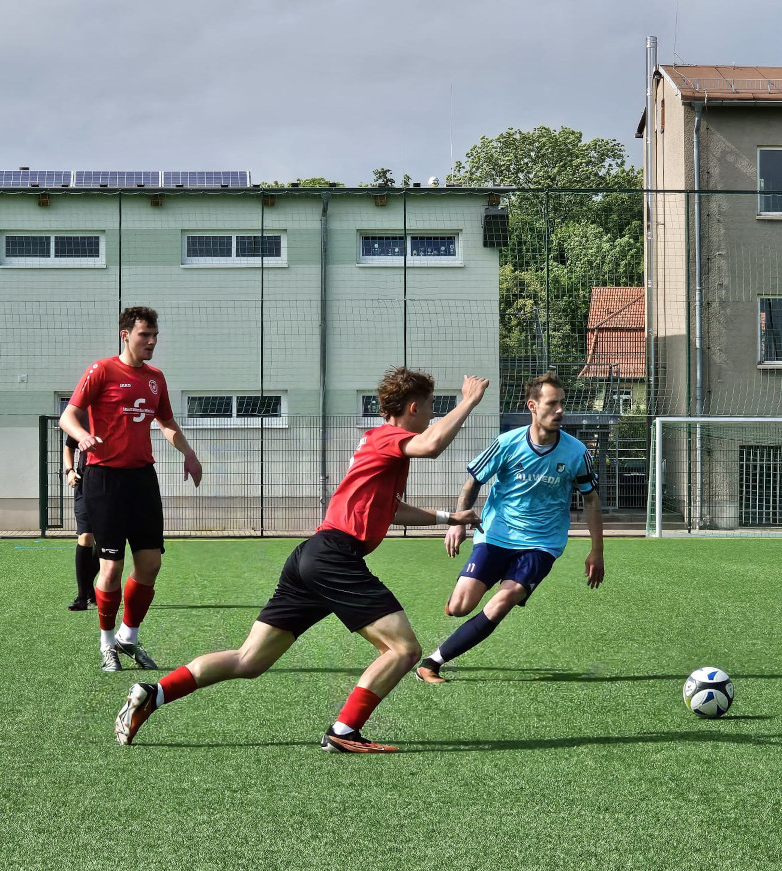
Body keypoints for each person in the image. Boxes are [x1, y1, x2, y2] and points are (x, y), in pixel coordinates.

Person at [115, 368, 489, 753]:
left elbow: (390, 510)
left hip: (313, 556)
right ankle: (344, 732)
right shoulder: (391, 438)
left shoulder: (378, 443)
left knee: (249, 660)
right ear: (414, 407)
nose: (431, 417)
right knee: (404, 649)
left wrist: (447, 517)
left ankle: (152, 694)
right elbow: (431, 446)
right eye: (430, 408)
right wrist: (468, 402)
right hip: (334, 558)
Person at [414, 372, 604, 684]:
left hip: (542, 543)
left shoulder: (576, 452)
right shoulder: (506, 444)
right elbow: (473, 482)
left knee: (505, 599)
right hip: (496, 534)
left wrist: (596, 551)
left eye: (562, 404)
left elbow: (592, 500)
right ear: (533, 405)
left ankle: (432, 662)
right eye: (552, 404)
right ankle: (461, 598)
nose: (560, 411)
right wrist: (459, 522)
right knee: (462, 606)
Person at [59, 306, 203, 672]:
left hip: (142, 478)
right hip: (104, 478)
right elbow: (68, 416)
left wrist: (188, 453)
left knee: (151, 563)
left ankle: (129, 636)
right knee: (110, 567)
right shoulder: (101, 370)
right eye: (144, 335)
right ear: (126, 334)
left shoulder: (156, 378)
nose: (152, 342)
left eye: (155, 336)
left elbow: (166, 421)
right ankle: (106, 644)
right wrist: (83, 436)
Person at [63, 434, 99, 612]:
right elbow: (69, 447)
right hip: (84, 484)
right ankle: (82, 596)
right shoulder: (80, 419)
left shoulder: (113, 416)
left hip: (110, 485)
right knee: (85, 537)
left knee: (106, 542)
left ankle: (89, 588)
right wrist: (69, 471)